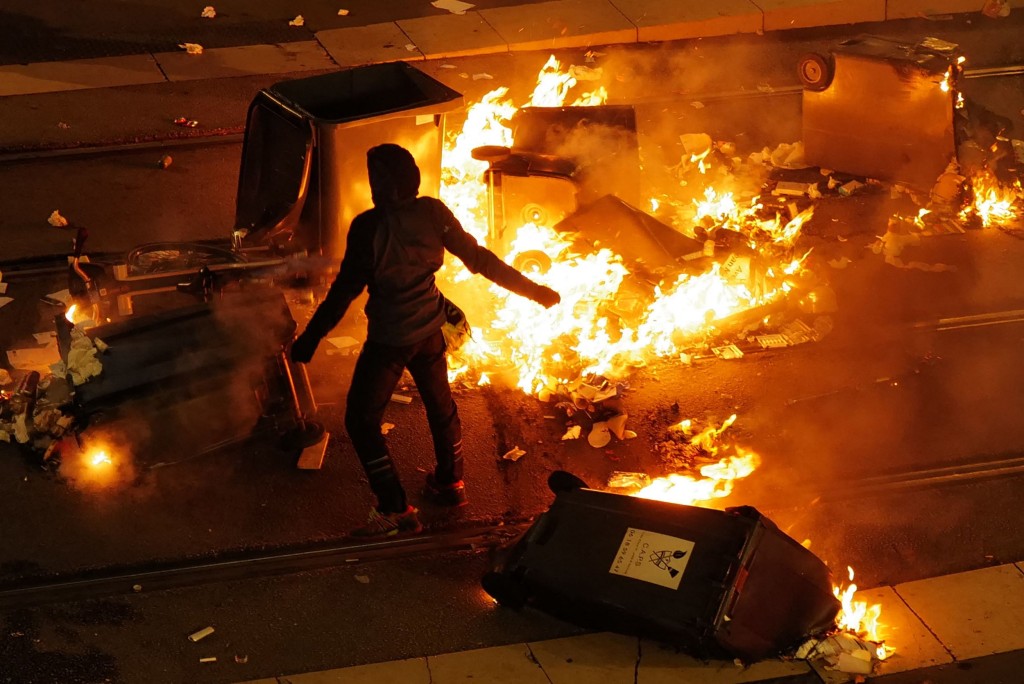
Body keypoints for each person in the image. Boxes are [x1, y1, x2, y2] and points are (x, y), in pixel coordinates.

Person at [290, 143, 561, 539]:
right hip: (430, 330)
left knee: (361, 421)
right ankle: (451, 484)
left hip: (391, 340)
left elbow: (344, 292)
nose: (372, 188)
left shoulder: (368, 227)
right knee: (441, 407)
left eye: (377, 179)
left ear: (389, 184)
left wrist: (310, 340)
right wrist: (535, 291)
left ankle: (395, 509)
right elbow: (480, 259)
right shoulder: (433, 212)